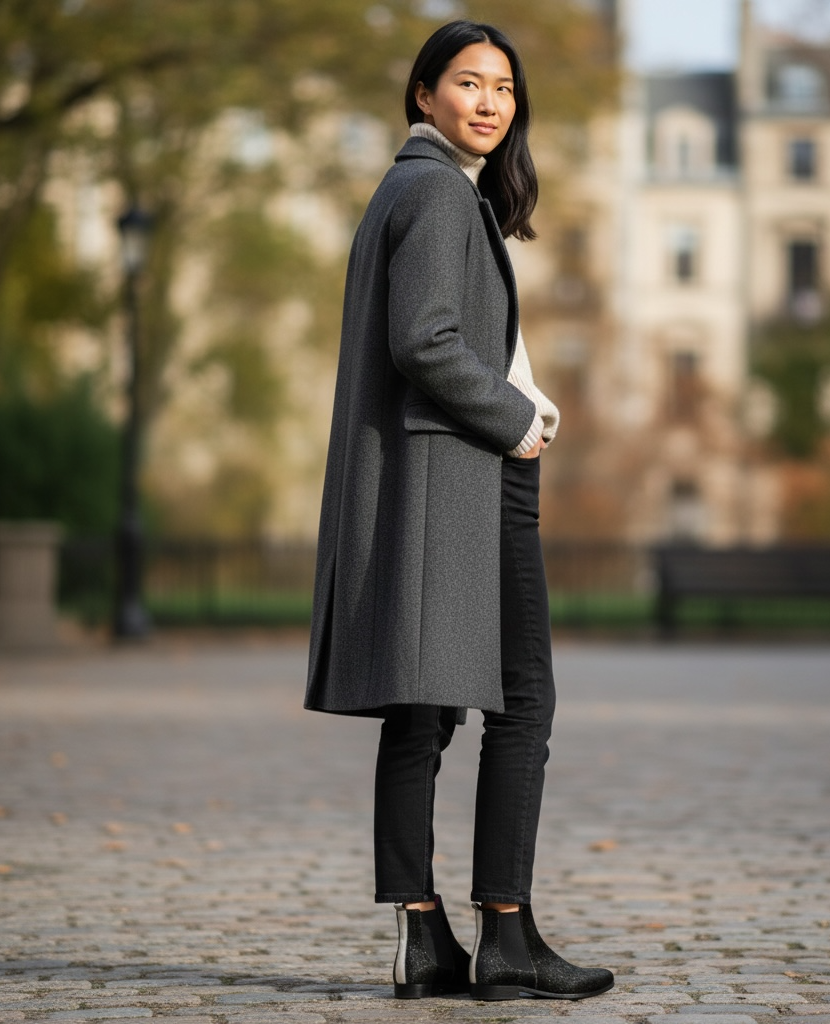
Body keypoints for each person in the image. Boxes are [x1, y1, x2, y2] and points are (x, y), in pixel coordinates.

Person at [304, 19, 613, 1003]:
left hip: (440, 478)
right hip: (468, 473)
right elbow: (426, 342)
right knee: (523, 703)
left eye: (505, 89)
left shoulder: (413, 188)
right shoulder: (436, 193)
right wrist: (520, 419)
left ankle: (426, 931)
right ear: (423, 93)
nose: (489, 102)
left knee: (425, 709)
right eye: (469, 83)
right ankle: (508, 935)